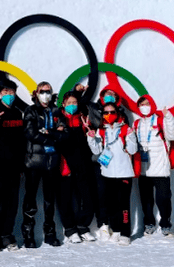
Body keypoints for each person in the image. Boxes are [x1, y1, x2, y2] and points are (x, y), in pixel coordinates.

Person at [75, 84, 132, 240]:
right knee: (100, 194)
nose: (109, 96)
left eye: (112, 94)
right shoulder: (93, 108)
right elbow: (76, 103)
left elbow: (127, 139)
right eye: (106, 93)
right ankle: (103, 224)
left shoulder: (122, 114)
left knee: (115, 197)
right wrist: (78, 91)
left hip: (117, 163)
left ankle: (118, 228)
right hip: (98, 160)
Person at [0, 78, 28, 252]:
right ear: (0, 93)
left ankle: (7, 235)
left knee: (11, 203)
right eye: (6, 92)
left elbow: (21, 141)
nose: (9, 95)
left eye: (12, 92)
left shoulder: (17, 113)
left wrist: (21, 165)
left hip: (14, 167)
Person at [21, 82, 68, 248]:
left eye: (49, 91)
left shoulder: (56, 111)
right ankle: (28, 234)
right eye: (43, 92)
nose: (46, 95)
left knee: (49, 200)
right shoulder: (30, 110)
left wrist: (50, 133)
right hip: (34, 161)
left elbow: (65, 134)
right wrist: (53, 137)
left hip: (51, 162)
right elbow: (30, 133)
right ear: (36, 93)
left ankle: (50, 233)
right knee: (30, 199)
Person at [86, 102, 138, 245]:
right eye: (106, 112)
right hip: (108, 173)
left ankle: (125, 233)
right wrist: (91, 138)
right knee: (112, 204)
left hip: (124, 173)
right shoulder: (101, 130)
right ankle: (115, 230)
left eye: (112, 112)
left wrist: (131, 136)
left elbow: (133, 150)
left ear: (117, 113)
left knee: (124, 205)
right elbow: (96, 151)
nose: (109, 115)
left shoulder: (125, 129)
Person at [133, 94, 174, 238]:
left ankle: (165, 224)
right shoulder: (137, 124)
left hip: (160, 167)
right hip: (144, 168)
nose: (144, 107)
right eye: (141, 104)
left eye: (147, 103)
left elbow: (172, 136)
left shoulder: (160, 120)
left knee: (163, 198)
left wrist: (169, 117)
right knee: (146, 200)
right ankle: (149, 223)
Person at [56, 91, 96, 243]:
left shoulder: (83, 118)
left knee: (87, 197)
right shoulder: (59, 119)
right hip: (65, 165)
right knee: (65, 199)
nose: (72, 105)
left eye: (75, 102)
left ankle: (83, 226)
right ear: (64, 104)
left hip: (83, 164)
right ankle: (70, 229)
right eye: (69, 103)